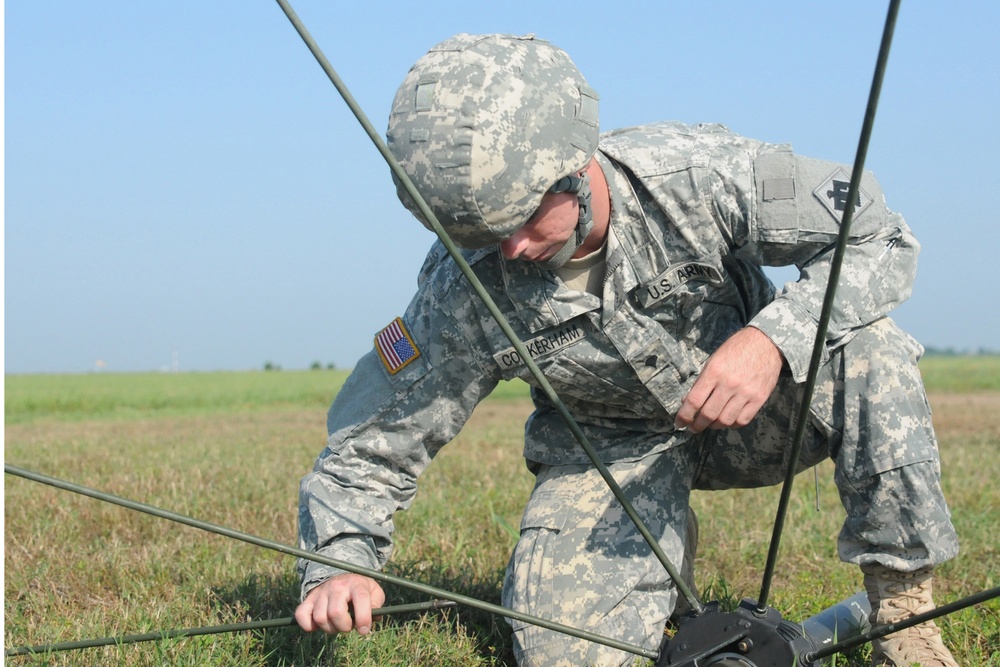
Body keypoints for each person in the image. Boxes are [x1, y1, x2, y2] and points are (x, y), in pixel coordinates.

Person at [294, 33, 959, 667]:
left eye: (525, 221)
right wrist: (339, 560)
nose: (512, 251)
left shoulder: (697, 176)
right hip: (613, 454)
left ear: (573, 166)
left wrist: (770, 341)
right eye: (483, 235)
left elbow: (877, 234)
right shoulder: (464, 284)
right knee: (566, 654)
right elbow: (373, 438)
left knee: (869, 347)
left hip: (754, 413)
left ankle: (902, 611)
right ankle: (659, 552)